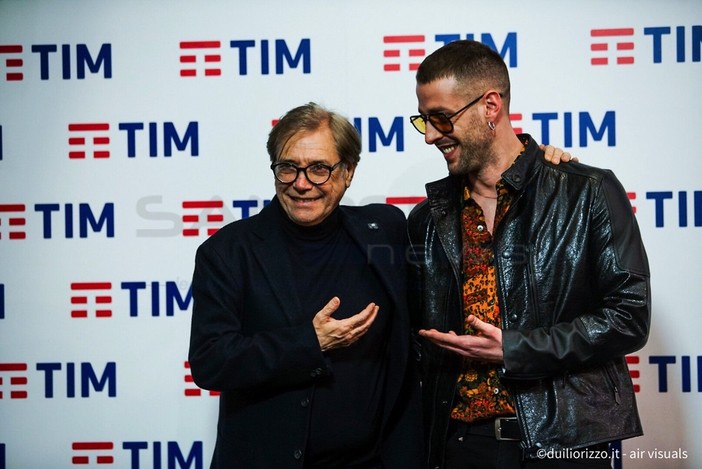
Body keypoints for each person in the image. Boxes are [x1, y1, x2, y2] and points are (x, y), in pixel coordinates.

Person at [406, 40, 651, 469]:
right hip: (463, 447)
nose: (430, 136)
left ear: (490, 106)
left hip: (566, 442)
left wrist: (517, 349)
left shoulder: (584, 192)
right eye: (423, 120)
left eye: (442, 119)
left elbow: (628, 316)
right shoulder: (427, 219)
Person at [188, 102, 424, 469]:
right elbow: (210, 362)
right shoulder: (227, 252)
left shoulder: (386, 230)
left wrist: (537, 169)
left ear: (348, 172)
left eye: (319, 169)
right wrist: (309, 343)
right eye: (288, 168)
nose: (301, 184)